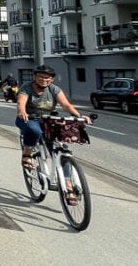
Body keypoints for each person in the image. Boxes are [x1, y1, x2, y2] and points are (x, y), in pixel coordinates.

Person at [15, 65, 91, 204]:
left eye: (47, 78)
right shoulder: (26, 88)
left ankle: (68, 187)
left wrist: (79, 116)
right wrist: (22, 112)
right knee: (35, 131)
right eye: (41, 77)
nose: (44, 80)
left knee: (62, 151)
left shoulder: (54, 89)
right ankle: (27, 154)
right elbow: (21, 103)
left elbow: (66, 105)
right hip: (29, 119)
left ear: (52, 79)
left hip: (48, 121)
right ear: (35, 77)